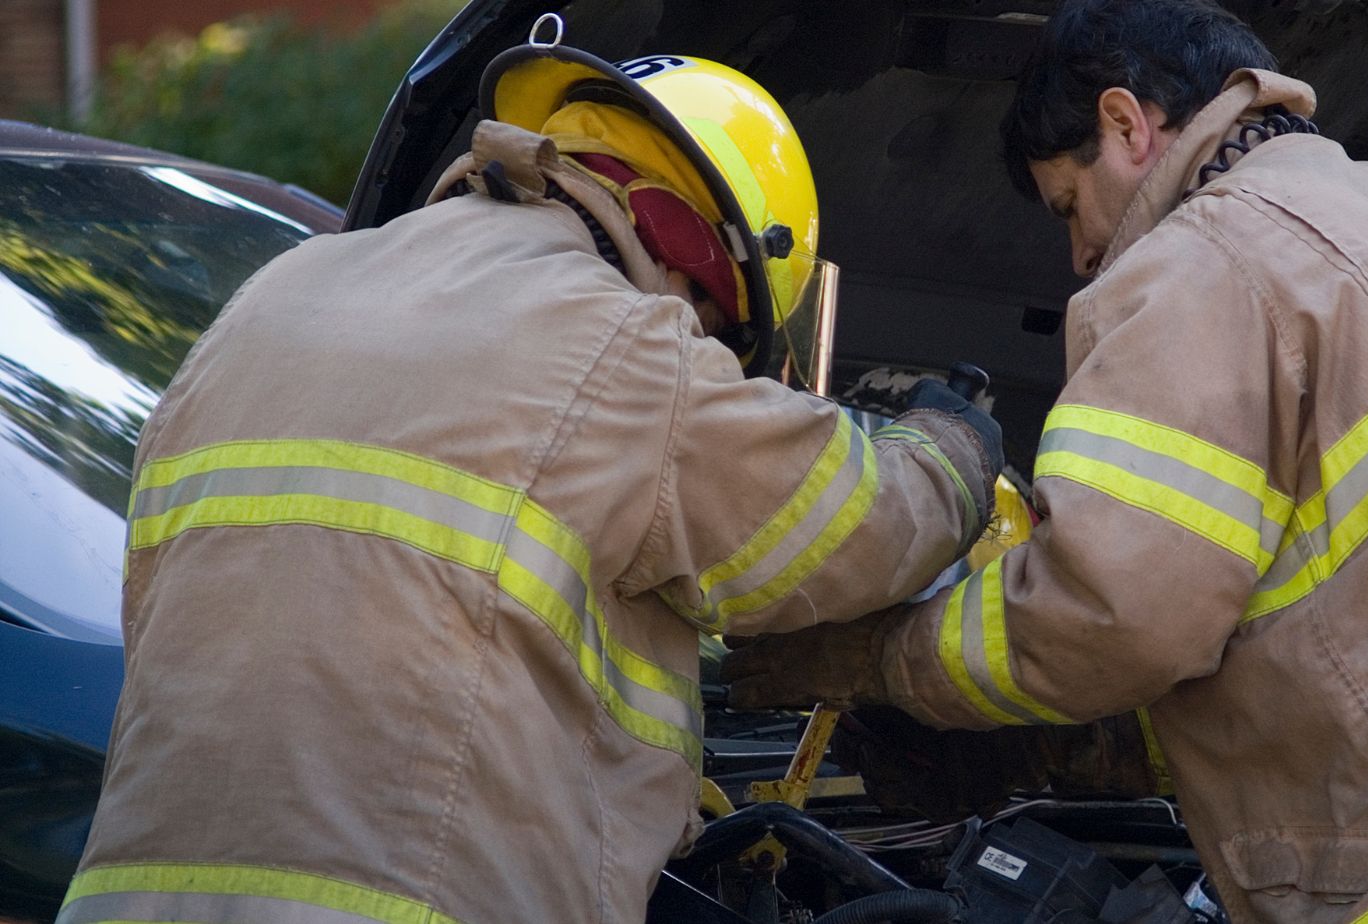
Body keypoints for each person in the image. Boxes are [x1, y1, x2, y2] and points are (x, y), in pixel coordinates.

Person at [723, 1, 1368, 921]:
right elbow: (1358, 613)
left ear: (1127, 125)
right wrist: (1080, 748)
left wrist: (883, 661)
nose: (1081, 255)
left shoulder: (1202, 264)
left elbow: (1112, 618)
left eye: (1071, 207)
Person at [56, 39, 1000, 924]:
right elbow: (860, 524)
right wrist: (953, 447)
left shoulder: (271, 295)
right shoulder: (625, 342)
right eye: (728, 341)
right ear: (706, 262)